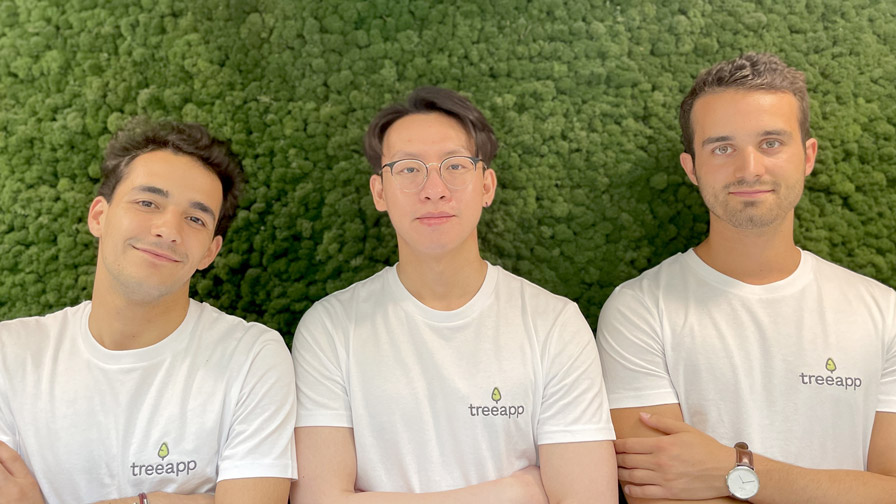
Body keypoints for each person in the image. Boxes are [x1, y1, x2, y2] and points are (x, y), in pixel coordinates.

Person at [291, 86, 617, 503]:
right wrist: (516, 492)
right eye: (409, 169)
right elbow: (318, 501)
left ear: (487, 185)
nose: (434, 189)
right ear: (379, 192)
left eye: (455, 166)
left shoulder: (554, 323)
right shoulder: (331, 327)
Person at [596, 52, 896, 503]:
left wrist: (732, 469)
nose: (749, 168)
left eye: (771, 142)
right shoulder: (640, 310)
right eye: (722, 148)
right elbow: (657, 494)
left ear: (807, 156)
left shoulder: (883, 311)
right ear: (691, 168)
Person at [0, 119, 297, 504]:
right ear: (98, 217)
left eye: (195, 218)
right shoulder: (10, 352)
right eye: (147, 202)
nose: (167, 229)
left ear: (210, 251)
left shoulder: (252, 356)